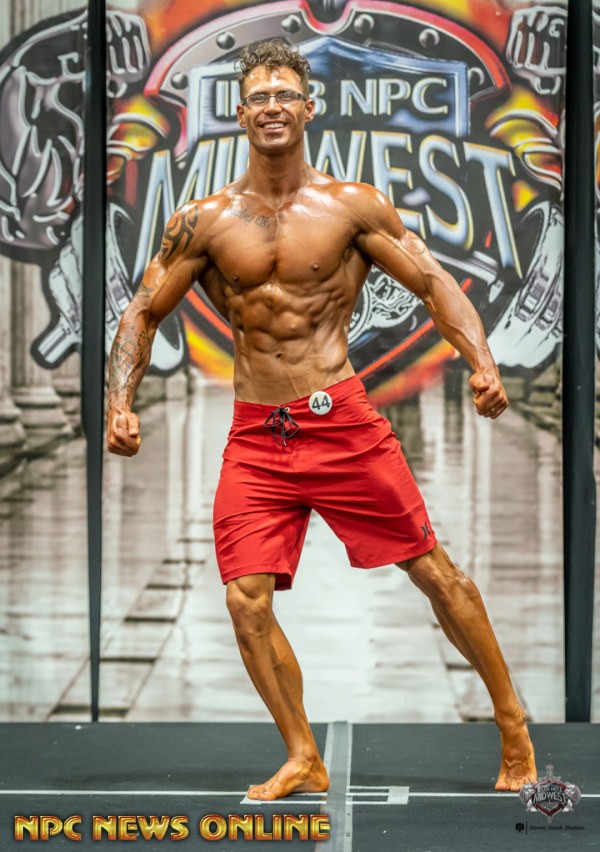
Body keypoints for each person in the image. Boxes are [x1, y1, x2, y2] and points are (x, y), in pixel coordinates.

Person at [107, 39, 537, 801]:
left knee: (433, 572)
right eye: (258, 96)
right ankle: (303, 755)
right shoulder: (203, 221)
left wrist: (481, 362)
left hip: (339, 420)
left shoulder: (351, 206)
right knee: (245, 600)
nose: (272, 106)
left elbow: (433, 282)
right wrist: (119, 401)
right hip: (257, 434)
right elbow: (142, 312)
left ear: (309, 108)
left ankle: (512, 725)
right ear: (240, 114)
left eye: (285, 94)